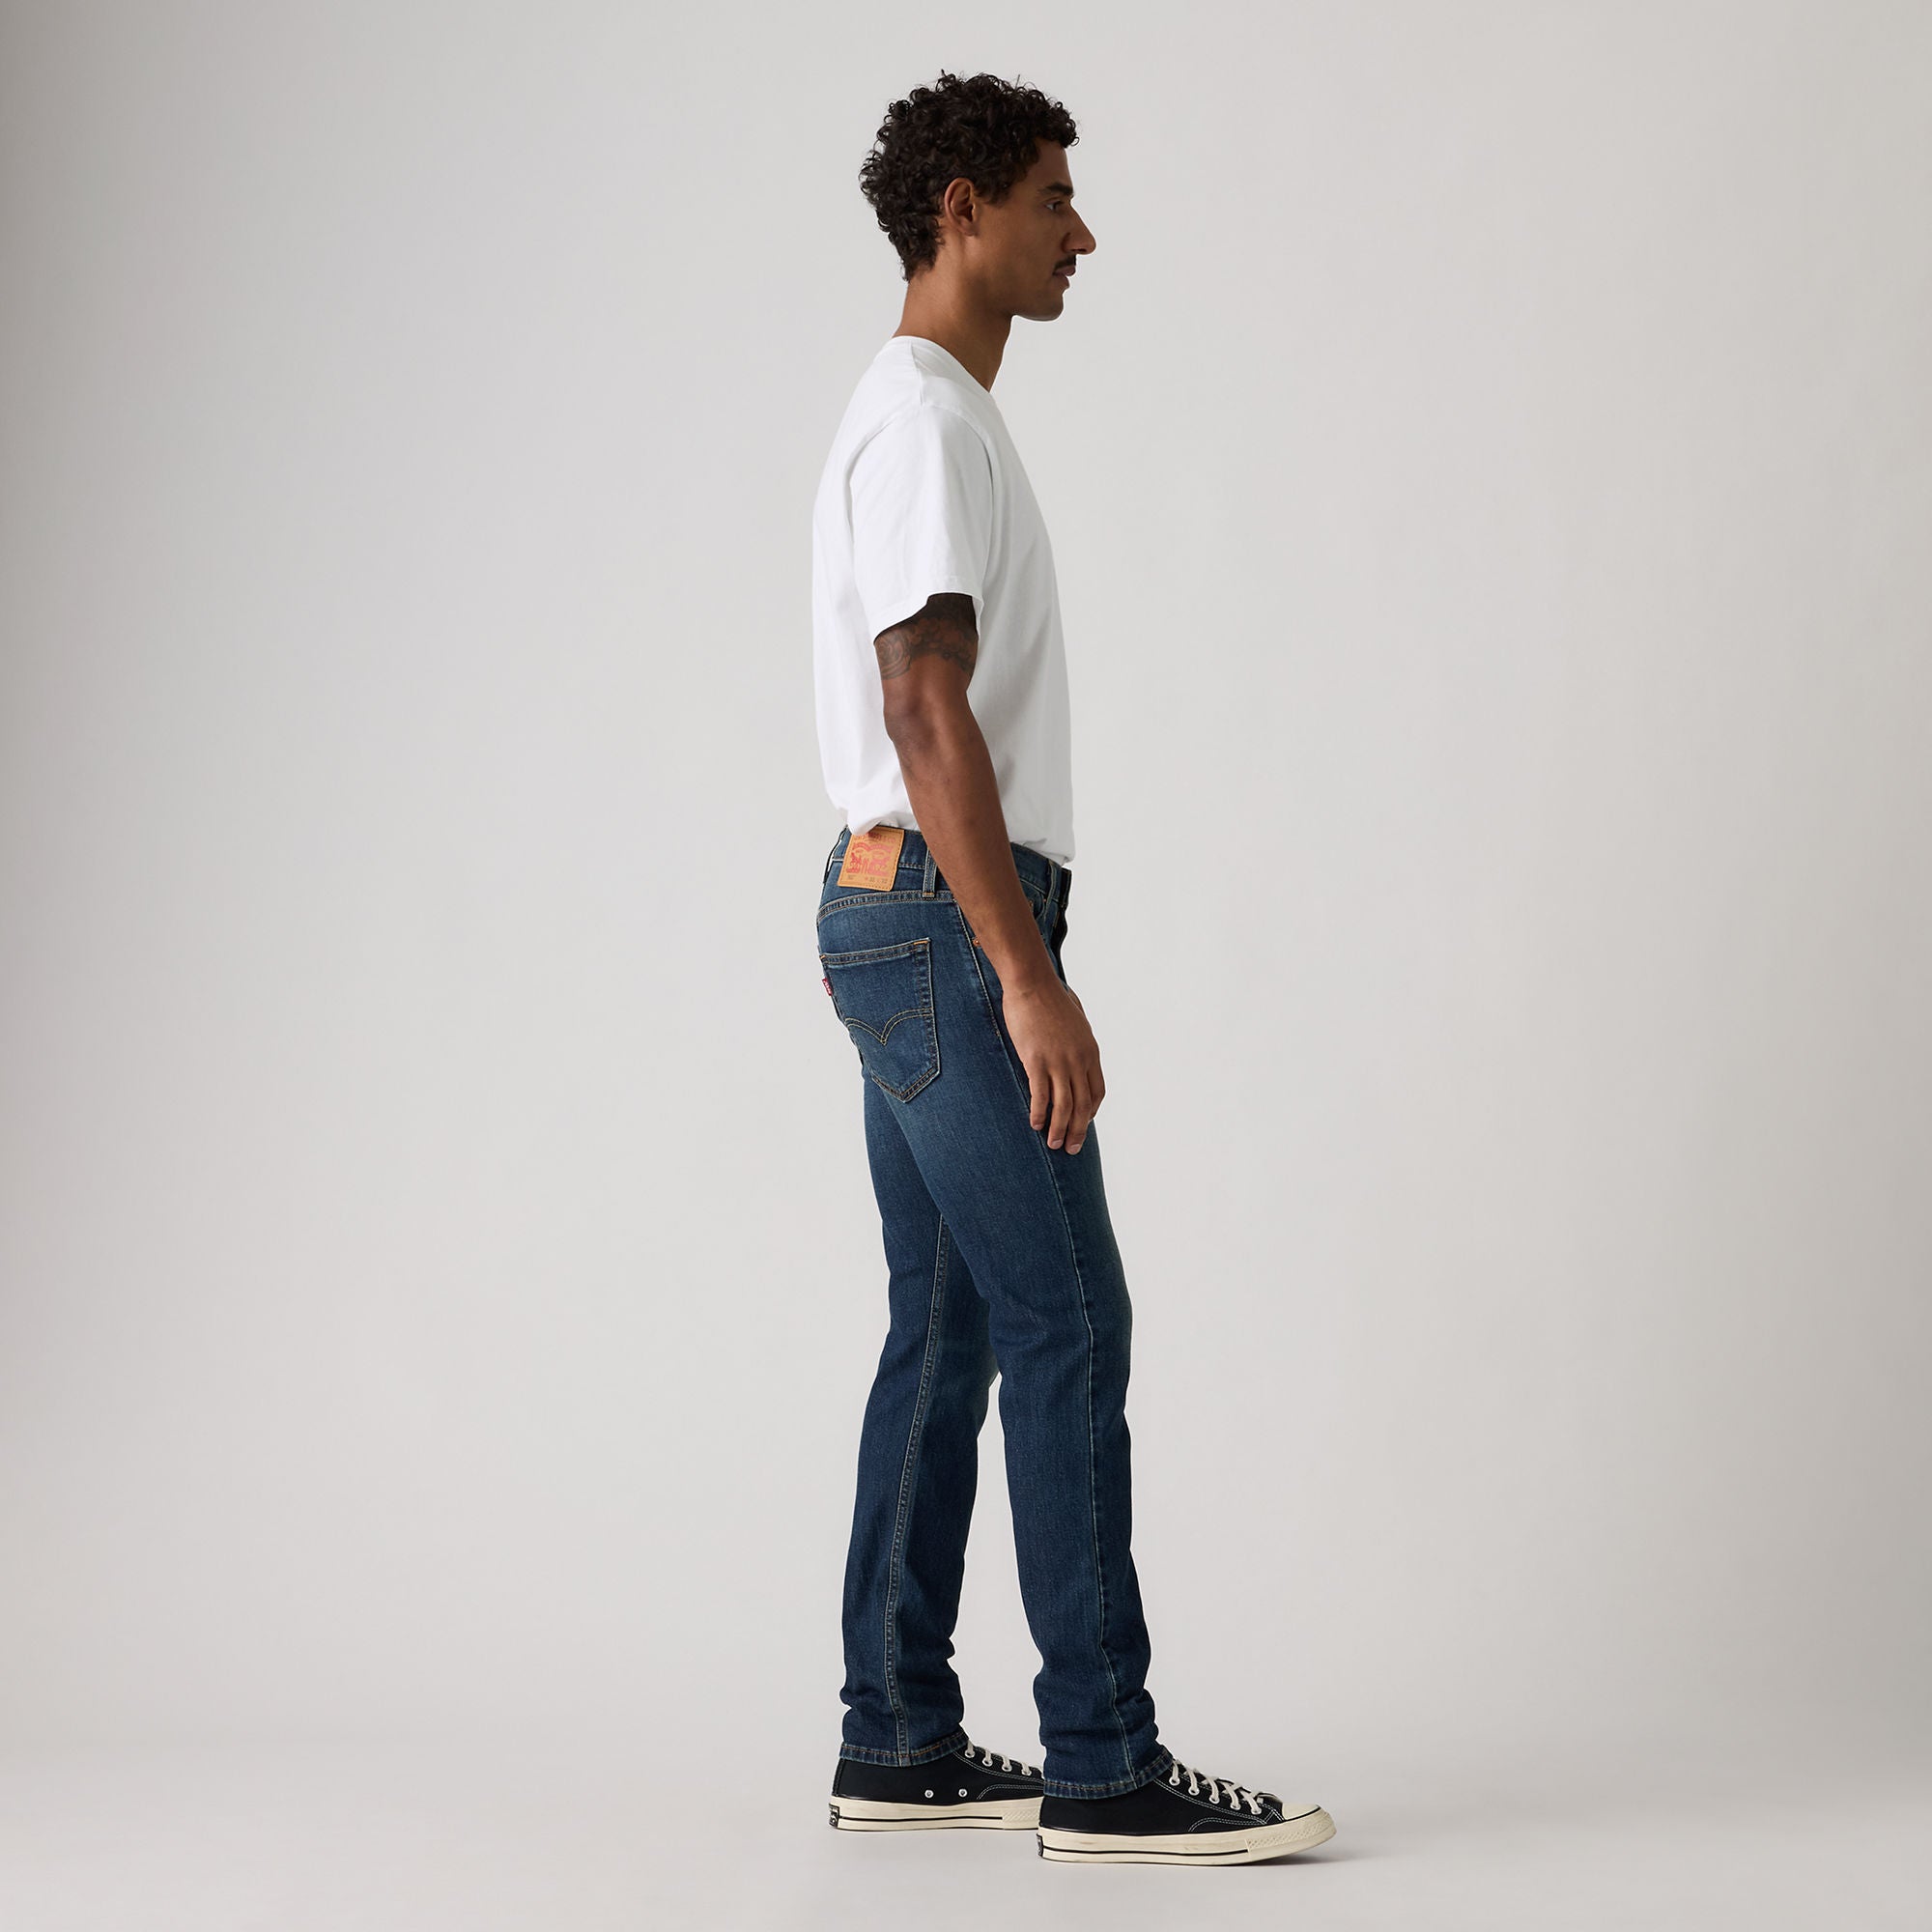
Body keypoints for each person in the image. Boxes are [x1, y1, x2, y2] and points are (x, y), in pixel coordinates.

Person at [808, 70, 1336, 1868]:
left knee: (951, 1323)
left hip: (897, 911)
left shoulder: (925, 413)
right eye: (1053, 197)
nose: (1082, 232)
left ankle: (896, 1735)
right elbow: (922, 705)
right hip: (947, 919)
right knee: (1069, 1320)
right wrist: (1025, 974)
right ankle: (1103, 1761)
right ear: (962, 208)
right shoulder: (926, 420)